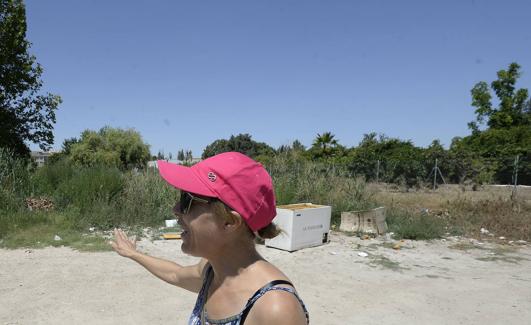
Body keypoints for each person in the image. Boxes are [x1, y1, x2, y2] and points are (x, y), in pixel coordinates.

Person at [110, 152, 309, 325]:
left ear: (230, 221)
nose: (176, 209)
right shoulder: (212, 271)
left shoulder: (275, 309)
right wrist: (133, 254)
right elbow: (176, 274)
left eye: (187, 200)